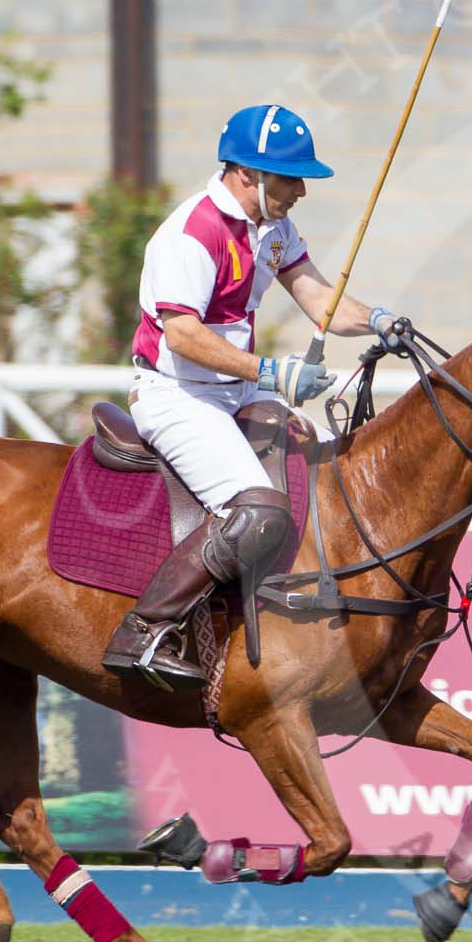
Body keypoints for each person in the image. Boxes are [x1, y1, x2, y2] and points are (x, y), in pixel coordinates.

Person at [101, 103, 407, 690]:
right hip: (176, 395)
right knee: (260, 512)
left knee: (313, 457)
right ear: (249, 174)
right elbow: (182, 335)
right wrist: (273, 373)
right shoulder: (192, 232)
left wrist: (380, 320)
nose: (299, 191)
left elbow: (321, 301)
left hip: (231, 393)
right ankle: (145, 628)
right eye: (290, 178)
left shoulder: (272, 229)